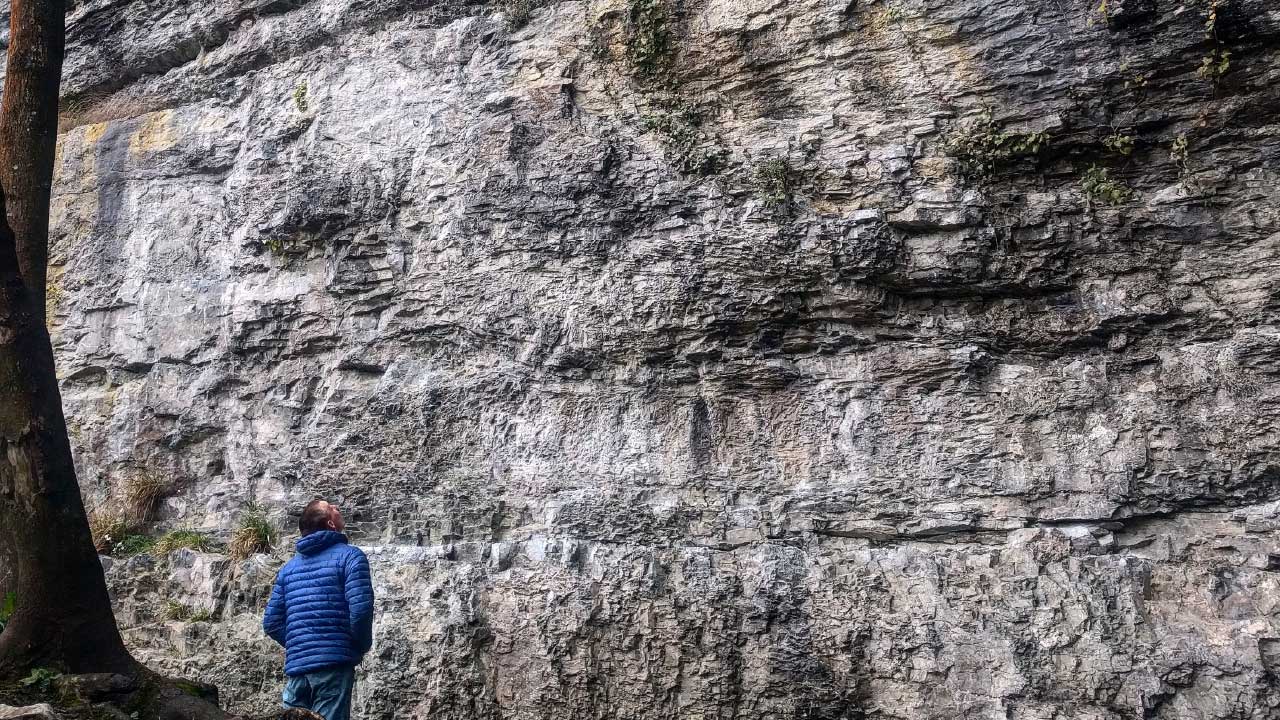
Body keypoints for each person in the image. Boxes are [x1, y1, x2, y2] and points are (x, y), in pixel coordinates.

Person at [263, 499, 374, 720]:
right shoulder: (350, 557)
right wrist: (358, 645)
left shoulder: (288, 569)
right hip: (333, 666)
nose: (338, 508)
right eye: (333, 508)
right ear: (331, 524)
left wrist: (303, 644)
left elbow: (271, 622)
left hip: (298, 671)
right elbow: (360, 610)